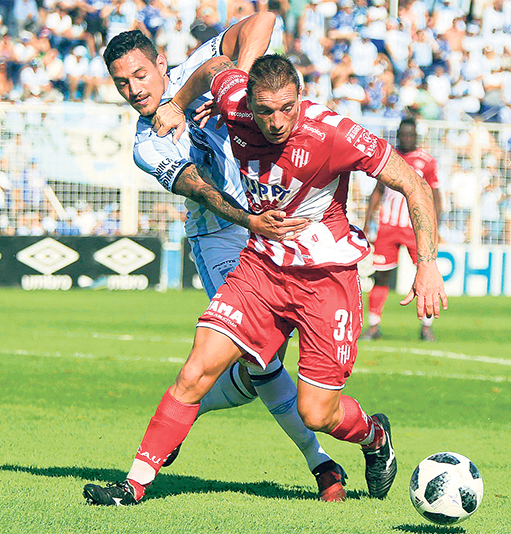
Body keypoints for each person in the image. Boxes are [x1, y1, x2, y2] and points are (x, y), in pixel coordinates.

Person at [83, 53, 446, 506]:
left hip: (326, 277)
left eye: (287, 108)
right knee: (196, 369)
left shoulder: (333, 133)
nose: (276, 121)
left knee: (316, 412)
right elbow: (216, 66)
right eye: (265, 110)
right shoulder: (234, 99)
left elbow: (412, 181)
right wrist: (176, 103)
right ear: (249, 101)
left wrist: (428, 263)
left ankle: (374, 437)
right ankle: (133, 485)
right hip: (262, 268)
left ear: (300, 97)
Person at [84, 18, 347, 506]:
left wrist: (237, 89)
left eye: (140, 74)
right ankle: (321, 465)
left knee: (257, 369)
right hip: (222, 235)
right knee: (261, 360)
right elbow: (200, 189)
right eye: (122, 82)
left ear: (161, 63)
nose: (133, 89)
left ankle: (189, 410)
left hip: (277, 220)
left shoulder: (194, 67)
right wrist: (249, 220)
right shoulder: (147, 142)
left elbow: (264, 20)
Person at [359, 116, 442, 342]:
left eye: (410, 135)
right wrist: (368, 223)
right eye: (403, 135)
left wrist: (435, 227)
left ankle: (426, 326)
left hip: (416, 228)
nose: (406, 138)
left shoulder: (427, 162)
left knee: (426, 273)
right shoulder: (389, 158)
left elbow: (435, 197)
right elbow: (377, 191)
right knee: (381, 276)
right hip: (388, 227)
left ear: (416, 137)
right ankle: (374, 326)